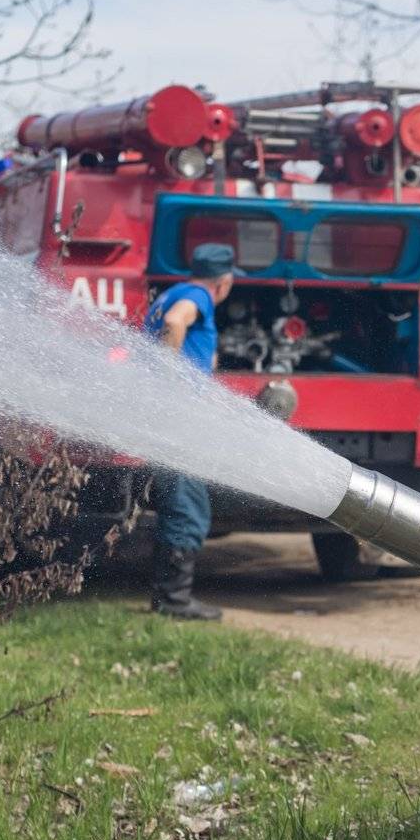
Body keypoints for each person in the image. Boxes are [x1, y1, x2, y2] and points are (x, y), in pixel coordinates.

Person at [141, 243, 238, 620]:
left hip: (170, 415)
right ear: (224, 282)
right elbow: (175, 322)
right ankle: (173, 599)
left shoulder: (171, 292)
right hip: (175, 418)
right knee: (187, 504)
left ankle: (169, 596)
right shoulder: (197, 297)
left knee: (182, 501)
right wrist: (172, 379)